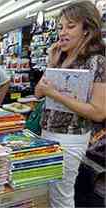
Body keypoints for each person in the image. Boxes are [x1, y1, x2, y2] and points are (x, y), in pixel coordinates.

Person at [35, 2, 106, 207]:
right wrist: (51, 64)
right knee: (50, 190)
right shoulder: (61, 57)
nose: (63, 32)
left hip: (70, 137)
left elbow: (99, 112)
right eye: (60, 27)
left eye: (70, 26)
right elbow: (39, 92)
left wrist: (55, 94)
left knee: (61, 194)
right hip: (47, 132)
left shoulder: (96, 61)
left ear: (87, 30)